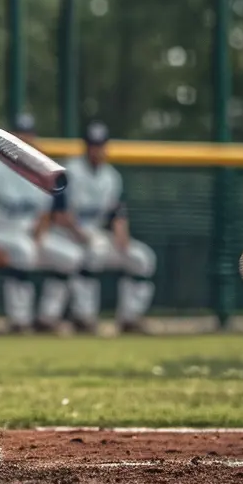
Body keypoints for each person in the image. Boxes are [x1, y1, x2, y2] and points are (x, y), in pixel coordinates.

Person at [0, 113, 80, 334]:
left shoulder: (40, 170)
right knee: (24, 252)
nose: (24, 140)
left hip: (28, 237)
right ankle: (20, 321)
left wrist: (40, 236)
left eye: (28, 135)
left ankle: (47, 319)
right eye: (19, 135)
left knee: (70, 256)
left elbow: (45, 214)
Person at [47, 121, 157, 335]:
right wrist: (81, 234)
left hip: (96, 235)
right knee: (95, 251)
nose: (97, 149)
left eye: (101, 144)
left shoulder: (112, 176)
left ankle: (130, 318)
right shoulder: (69, 171)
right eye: (93, 144)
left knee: (142, 257)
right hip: (66, 235)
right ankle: (84, 317)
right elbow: (58, 214)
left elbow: (117, 214)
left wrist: (122, 239)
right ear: (86, 146)